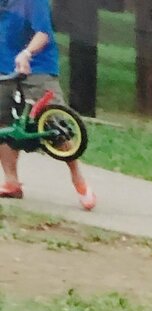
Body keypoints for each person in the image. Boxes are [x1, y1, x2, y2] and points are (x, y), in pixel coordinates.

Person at [0, 0, 96, 208]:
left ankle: (78, 179)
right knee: (3, 121)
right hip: (4, 66)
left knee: (53, 124)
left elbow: (43, 33)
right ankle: (11, 182)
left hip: (37, 67)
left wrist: (26, 53)